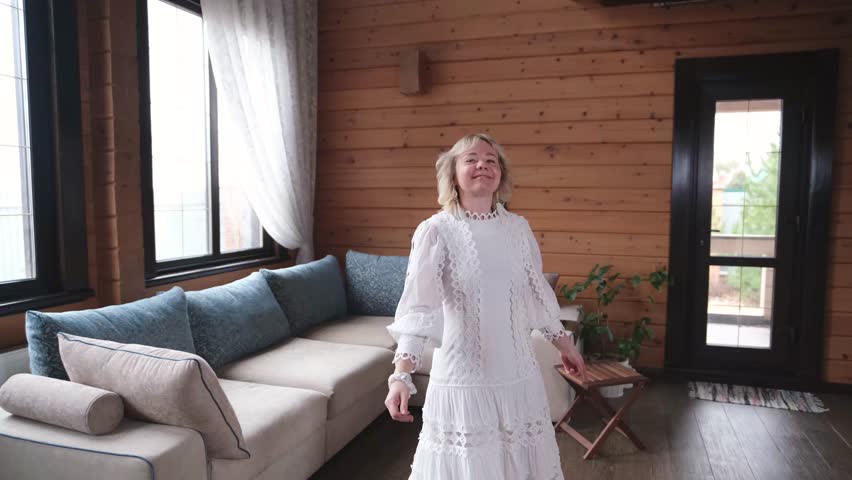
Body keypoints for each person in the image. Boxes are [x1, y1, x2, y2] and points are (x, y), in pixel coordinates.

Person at [384, 133, 587, 479]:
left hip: (517, 375)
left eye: (491, 160)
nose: (483, 165)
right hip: (463, 380)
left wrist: (565, 345)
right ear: (453, 175)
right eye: (471, 159)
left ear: (501, 175)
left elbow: (536, 293)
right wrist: (401, 376)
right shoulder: (435, 231)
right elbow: (418, 310)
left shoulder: (518, 228)